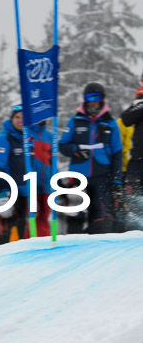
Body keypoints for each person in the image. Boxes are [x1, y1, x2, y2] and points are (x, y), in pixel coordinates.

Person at [59, 82, 123, 234]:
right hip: (78, 175)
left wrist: (116, 180)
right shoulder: (75, 121)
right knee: (75, 212)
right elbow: (62, 146)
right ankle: (72, 245)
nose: (92, 100)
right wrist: (75, 150)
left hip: (102, 175)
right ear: (84, 99)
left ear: (102, 99)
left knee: (100, 213)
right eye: (89, 97)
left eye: (96, 97)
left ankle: (95, 248)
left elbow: (117, 154)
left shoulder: (110, 123)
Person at [0, 104, 52, 245]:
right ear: (12, 119)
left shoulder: (27, 140)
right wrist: (2, 194)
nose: (20, 121)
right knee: (6, 232)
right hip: (9, 192)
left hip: (25, 192)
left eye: (24, 118)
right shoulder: (3, 139)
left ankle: (17, 263)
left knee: (20, 231)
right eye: (17, 117)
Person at [120, 85, 143, 229]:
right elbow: (126, 118)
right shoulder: (139, 106)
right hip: (137, 160)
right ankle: (136, 229)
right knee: (134, 198)